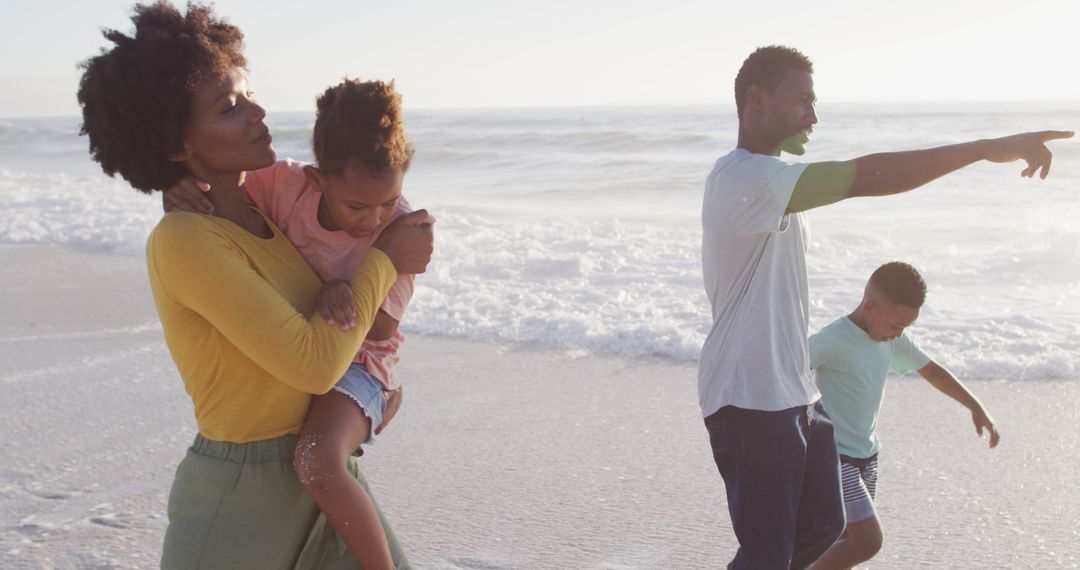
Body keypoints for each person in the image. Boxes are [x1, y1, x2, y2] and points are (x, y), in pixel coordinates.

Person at [76, 2, 432, 568]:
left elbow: (339, 345)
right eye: (229, 107)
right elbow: (315, 363)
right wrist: (384, 258)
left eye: (247, 94)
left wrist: (368, 405)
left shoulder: (272, 217)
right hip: (240, 504)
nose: (258, 112)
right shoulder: (186, 242)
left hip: (323, 484)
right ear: (176, 144)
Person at [699, 44, 1069, 569]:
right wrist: (984, 148)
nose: (813, 115)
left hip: (791, 394)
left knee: (826, 525)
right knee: (767, 551)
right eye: (802, 101)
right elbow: (865, 176)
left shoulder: (772, 182)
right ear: (756, 100)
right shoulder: (743, 180)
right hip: (749, 396)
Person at [164, 78, 418, 569]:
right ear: (319, 180)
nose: (373, 221)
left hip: (360, 368)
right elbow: (217, 192)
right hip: (305, 368)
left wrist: (358, 276)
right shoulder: (282, 185)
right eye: (359, 207)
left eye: (388, 202)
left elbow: (383, 329)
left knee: (317, 461)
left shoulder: (401, 227)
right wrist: (173, 184)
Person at [807, 261, 1000, 570]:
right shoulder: (834, 339)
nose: (899, 335)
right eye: (896, 325)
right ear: (870, 307)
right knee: (868, 540)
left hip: (867, 455)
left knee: (844, 540)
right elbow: (789, 369)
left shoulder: (890, 339)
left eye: (906, 328)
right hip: (834, 456)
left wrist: (975, 405)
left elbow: (932, 371)